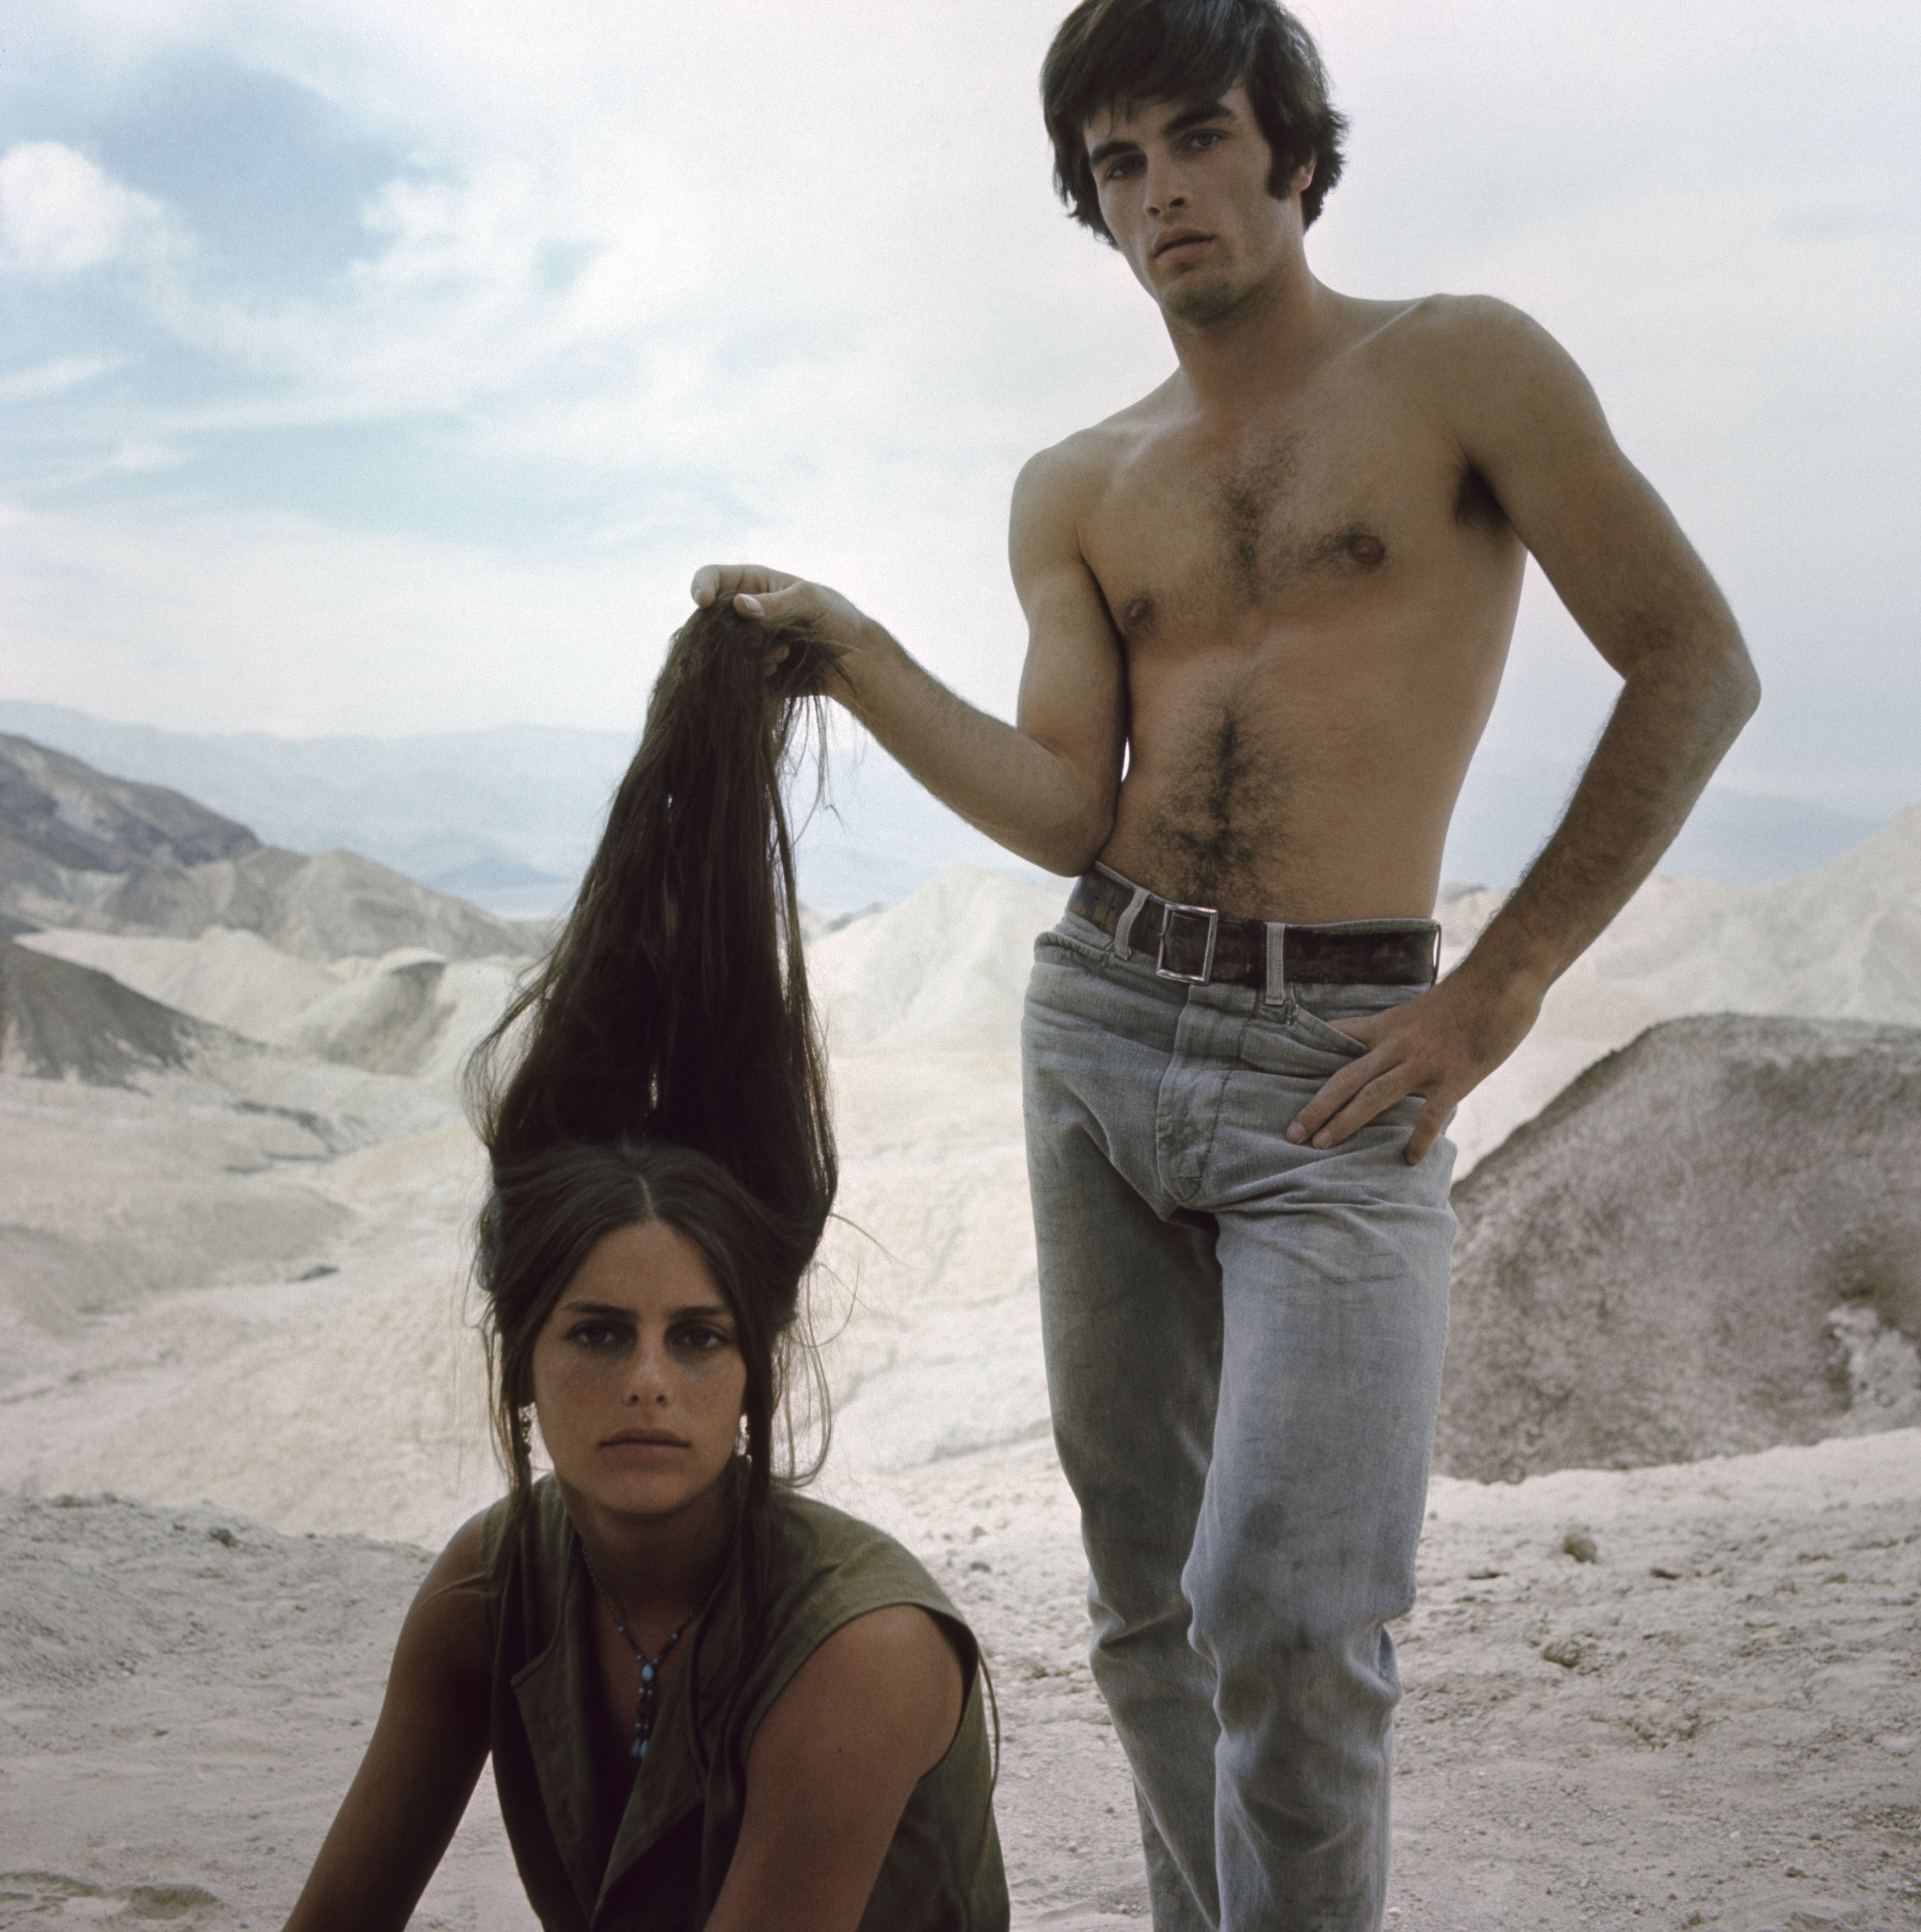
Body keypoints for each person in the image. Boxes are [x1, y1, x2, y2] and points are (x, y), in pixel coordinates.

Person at [692, 0, 1761, 1925]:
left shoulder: (1462, 366)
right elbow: (1059, 804)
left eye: (1198, 137)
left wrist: (1498, 988)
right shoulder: (1076, 481)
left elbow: (1695, 662)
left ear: (1296, 154)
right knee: (1143, 1602)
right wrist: (851, 652)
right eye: (1117, 164)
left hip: (1341, 1054)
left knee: (1292, 1609)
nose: (1162, 190)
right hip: (1101, 1024)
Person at [282, 604, 1009, 1932]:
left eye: (701, 1338)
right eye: (599, 1333)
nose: (651, 1382)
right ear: (522, 1358)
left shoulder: (860, 1649)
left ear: (754, 1369)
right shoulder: (489, 1594)